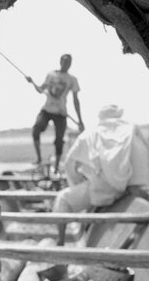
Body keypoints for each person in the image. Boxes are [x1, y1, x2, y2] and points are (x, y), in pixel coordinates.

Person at [52, 104, 149, 244]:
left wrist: (78, 182)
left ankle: (60, 242)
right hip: (132, 188)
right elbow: (144, 159)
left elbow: (69, 163)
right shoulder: (131, 130)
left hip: (102, 190)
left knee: (63, 199)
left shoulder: (90, 133)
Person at [26, 54, 85, 172]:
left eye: (69, 62)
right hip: (47, 110)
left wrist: (80, 120)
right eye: (65, 61)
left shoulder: (72, 79)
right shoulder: (51, 75)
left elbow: (75, 100)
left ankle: (57, 167)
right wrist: (32, 83)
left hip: (61, 112)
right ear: (60, 61)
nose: (67, 64)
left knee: (59, 140)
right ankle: (39, 158)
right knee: (36, 129)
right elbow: (41, 90)